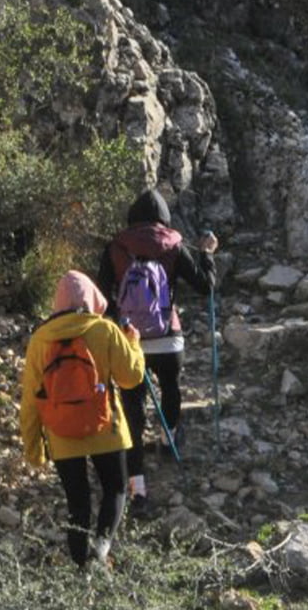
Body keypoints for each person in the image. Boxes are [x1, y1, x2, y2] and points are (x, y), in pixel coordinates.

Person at [96, 189, 218, 515]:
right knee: (171, 386)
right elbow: (205, 286)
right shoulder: (174, 246)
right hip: (168, 336)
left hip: (130, 341)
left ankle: (138, 488)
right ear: (164, 218)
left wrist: (118, 328)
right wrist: (207, 254)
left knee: (132, 412)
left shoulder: (115, 247)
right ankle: (168, 439)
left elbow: (100, 297)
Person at [19, 270, 144, 569]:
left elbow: (30, 399)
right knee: (114, 488)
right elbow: (131, 378)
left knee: (78, 503)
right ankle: (101, 549)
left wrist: (33, 447)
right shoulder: (105, 330)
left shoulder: (40, 339)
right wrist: (134, 344)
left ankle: (80, 570)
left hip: (61, 432)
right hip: (106, 427)